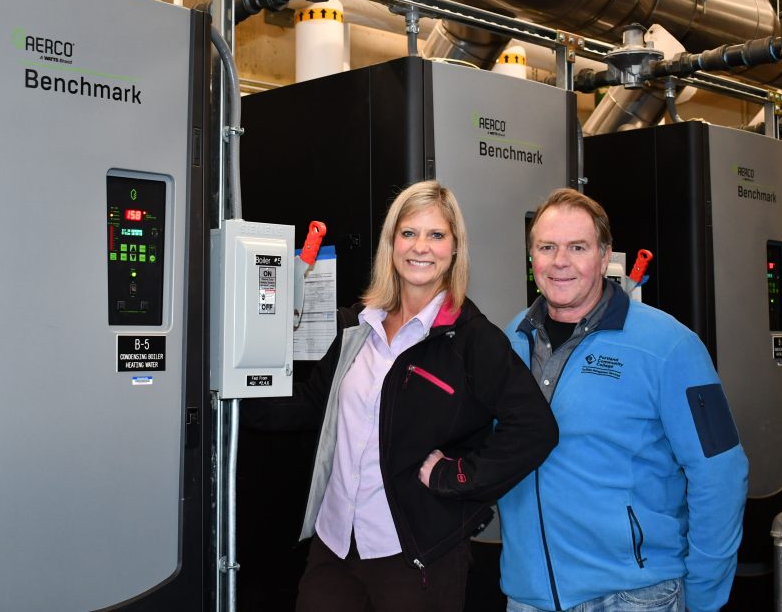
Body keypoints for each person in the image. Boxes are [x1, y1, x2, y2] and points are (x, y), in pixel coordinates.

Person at [243, 180, 558, 612]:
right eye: (408, 233)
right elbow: (314, 403)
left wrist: (458, 476)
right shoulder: (359, 326)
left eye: (436, 235)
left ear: (454, 248)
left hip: (414, 557)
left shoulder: (472, 339)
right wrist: (234, 393)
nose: (420, 247)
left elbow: (535, 429)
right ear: (391, 244)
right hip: (335, 545)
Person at [497, 188, 748, 612]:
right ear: (531, 256)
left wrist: (706, 593)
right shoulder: (512, 339)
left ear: (604, 256)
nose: (560, 261)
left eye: (578, 247)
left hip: (633, 595)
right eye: (547, 247)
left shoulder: (670, 345)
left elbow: (720, 472)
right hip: (527, 596)